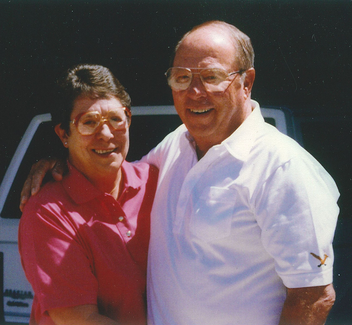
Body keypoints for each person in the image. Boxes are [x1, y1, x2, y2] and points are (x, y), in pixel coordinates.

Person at [20, 21, 339, 325]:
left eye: (212, 76)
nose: (195, 91)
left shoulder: (282, 168)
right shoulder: (175, 147)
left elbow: (315, 295)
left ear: (247, 82)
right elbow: (110, 166)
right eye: (182, 77)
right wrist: (61, 161)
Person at [19, 64, 158, 325]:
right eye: (89, 122)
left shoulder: (157, 181)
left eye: (116, 118)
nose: (106, 134)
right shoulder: (48, 213)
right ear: (64, 134)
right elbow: (79, 319)